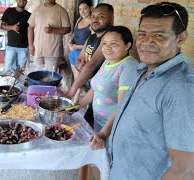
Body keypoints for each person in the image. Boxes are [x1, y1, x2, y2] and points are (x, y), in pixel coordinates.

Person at [109, 2, 194, 179]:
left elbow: (185, 169)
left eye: (159, 35)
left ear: (180, 38)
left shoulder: (180, 88)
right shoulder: (144, 70)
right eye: (142, 34)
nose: (147, 42)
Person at [78, 26, 139, 149]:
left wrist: (104, 133)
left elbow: (123, 105)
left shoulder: (129, 66)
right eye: (104, 43)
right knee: (99, 157)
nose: (107, 48)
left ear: (127, 45)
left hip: (112, 127)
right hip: (99, 121)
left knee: (109, 161)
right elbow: (96, 88)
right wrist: (77, 105)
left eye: (114, 44)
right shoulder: (108, 61)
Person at [65, 3, 114, 127]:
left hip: (104, 94)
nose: (95, 19)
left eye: (101, 16)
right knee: (88, 120)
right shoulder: (91, 38)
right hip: (93, 88)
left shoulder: (108, 38)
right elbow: (79, 59)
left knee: (94, 124)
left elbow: (92, 64)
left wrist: (72, 89)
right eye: (93, 16)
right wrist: (80, 65)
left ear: (111, 18)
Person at [28, 0, 71, 72]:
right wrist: (30, 45)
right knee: (37, 75)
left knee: (50, 78)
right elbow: (30, 28)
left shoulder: (61, 11)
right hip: (38, 50)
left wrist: (52, 30)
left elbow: (67, 29)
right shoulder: (38, 9)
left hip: (53, 52)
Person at [66, 0, 93, 102]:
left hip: (82, 54)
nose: (83, 11)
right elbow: (74, 34)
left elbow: (92, 44)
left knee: (79, 79)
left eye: (85, 8)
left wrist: (76, 47)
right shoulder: (79, 20)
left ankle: (75, 100)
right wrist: (70, 41)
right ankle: (76, 97)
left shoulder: (92, 24)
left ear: (91, 8)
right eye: (80, 9)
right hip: (73, 53)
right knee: (76, 77)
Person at [1, 0, 31, 72]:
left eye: (24, 0)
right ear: (16, 0)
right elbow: (2, 26)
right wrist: (12, 27)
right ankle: (8, 83)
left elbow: (31, 31)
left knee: (20, 71)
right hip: (11, 46)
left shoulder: (29, 15)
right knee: (7, 70)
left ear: (26, 1)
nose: (22, 1)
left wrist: (30, 45)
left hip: (23, 48)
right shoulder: (9, 11)